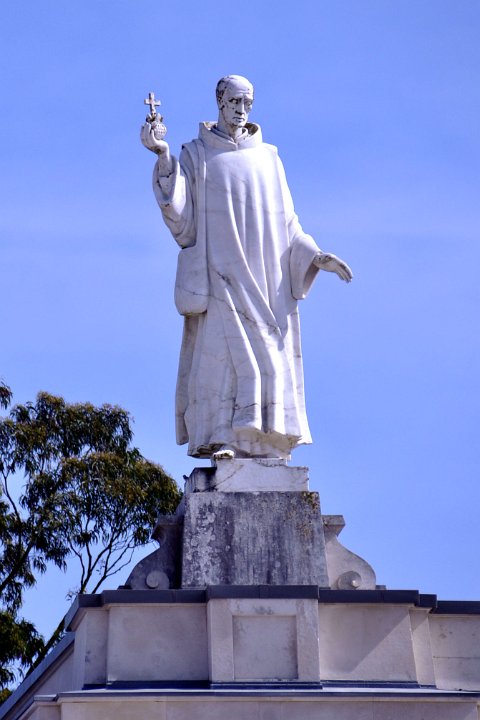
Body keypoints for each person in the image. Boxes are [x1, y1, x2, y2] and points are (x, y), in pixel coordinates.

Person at [141, 75, 352, 460]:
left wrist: (316, 256)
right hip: (220, 277)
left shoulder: (269, 158)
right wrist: (162, 156)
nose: (242, 110)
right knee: (222, 362)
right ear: (220, 101)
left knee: (270, 360)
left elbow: (289, 224)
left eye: (248, 103)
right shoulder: (197, 155)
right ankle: (225, 439)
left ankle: (267, 442)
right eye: (235, 102)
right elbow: (183, 221)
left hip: (266, 282)